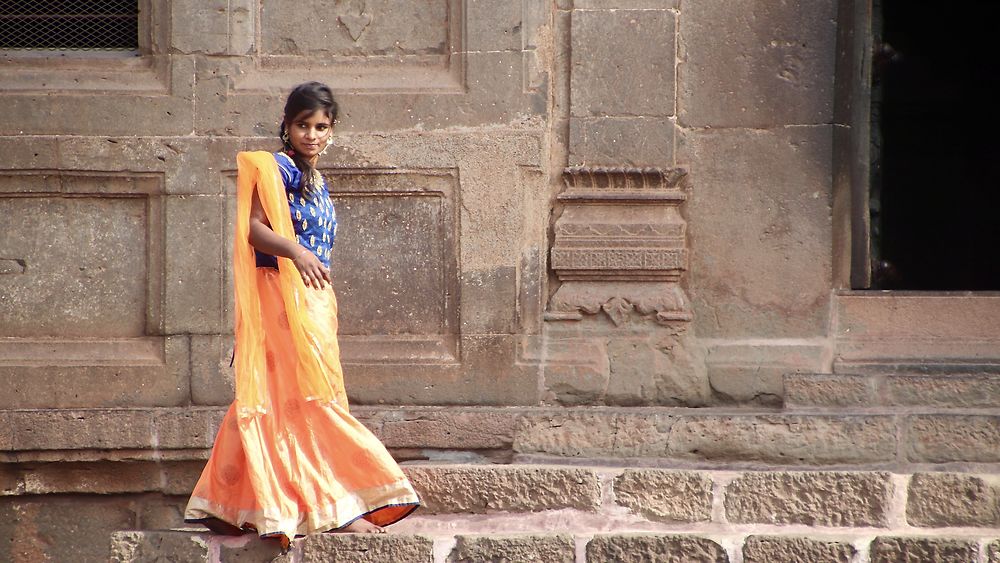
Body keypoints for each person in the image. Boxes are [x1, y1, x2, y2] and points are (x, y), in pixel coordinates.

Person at [183, 81, 420, 548]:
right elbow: (252, 229)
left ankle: (228, 502)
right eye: (303, 125)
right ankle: (343, 505)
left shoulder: (315, 178)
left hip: (311, 303)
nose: (312, 134)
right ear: (286, 126)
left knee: (282, 394)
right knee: (306, 398)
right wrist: (295, 252)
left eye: (321, 127)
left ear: (332, 131)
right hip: (280, 297)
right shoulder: (278, 170)